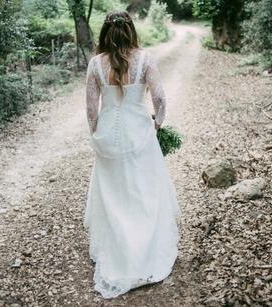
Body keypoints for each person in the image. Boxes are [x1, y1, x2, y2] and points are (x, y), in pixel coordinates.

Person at [84, 10, 181, 299]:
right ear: (131, 30)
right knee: (143, 189)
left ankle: (119, 247)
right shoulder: (145, 59)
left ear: (104, 33)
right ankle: (144, 246)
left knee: (115, 192)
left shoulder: (95, 64)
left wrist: (95, 134)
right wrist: (158, 123)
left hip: (109, 135)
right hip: (139, 131)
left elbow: (91, 109)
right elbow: (160, 98)